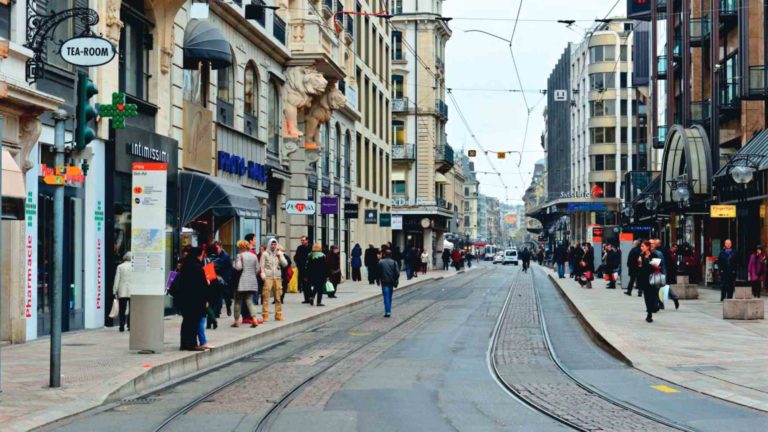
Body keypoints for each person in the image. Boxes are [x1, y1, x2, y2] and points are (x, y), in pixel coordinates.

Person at [175, 247, 209, 350]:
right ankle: (192, 344)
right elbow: (202, 286)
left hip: (184, 299)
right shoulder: (197, 268)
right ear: (198, 255)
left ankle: (184, 344)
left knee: (186, 321)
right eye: (202, 255)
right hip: (195, 300)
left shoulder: (185, 266)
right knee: (193, 321)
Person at [232, 240, 260, 328]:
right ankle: (254, 319)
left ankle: (236, 321)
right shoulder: (253, 256)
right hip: (252, 281)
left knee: (238, 301)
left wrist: (234, 263)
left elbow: (238, 267)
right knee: (249, 301)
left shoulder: (239, 256)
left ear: (240, 247)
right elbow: (257, 269)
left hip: (241, 282)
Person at [260, 238, 288, 321]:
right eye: (272, 244)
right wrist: (263, 276)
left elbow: (285, 264)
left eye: (275, 244)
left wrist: (280, 257)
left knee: (278, 297)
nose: (273, 246)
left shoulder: (279, 253)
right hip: (268, 277)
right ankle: (265, 315)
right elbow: (261, 265)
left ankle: (278, 314)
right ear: (269, 245)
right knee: (266, 296)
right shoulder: (265, 254)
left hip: (277, 277)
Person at [636, 240, 659, 323]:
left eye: (643, 246)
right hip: (644, 278)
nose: (641, 248)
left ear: (648, 247)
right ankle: (649, 313)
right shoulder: (641, 255)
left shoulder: (654, 255)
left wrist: (647, 264)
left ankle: (652, 309)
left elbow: (655, 267)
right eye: (641, 246)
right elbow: (639, 267)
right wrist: (640, 263)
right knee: (646, 296)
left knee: (652, 296)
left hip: (653, 277)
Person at [112, 252, 133, 332]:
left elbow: (117, 279)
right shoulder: (134, 267)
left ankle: (121, 325)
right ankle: (129, 326)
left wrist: (115, 290)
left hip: (122, 290)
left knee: (122, 309)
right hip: (132, 290)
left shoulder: (120, 267)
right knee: (132, 309)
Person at [377, 248, 400, 317]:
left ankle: (387, 311)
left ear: (384, 254)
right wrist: (395, 279)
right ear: (391, 255)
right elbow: (397, 273)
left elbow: (378, 272)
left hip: (384, 282)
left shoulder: (380, 262)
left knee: (386, 296)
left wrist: (378, 280)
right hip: (391, 282)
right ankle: (388, 309)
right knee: (389, 296)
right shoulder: (394, 262)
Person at [214, 241, 234, 317]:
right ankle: (217, 311)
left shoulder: (225, 256)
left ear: (221, 247)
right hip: (217, 278)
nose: (216, 249)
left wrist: (225, 279)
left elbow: (229, 268)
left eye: (217, 248)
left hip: (224, 278)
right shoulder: (215, 256)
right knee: (218, 295)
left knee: (226, 296)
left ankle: (228, 307)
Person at [295, 236, 311, 304]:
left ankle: (310, 297)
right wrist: (299, 265)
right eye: (301, 240)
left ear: (307, 240)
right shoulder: (299, 248)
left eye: (303, 240)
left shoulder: (311, 247)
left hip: (309, 269)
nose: (302, 242)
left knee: (309, 284)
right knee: (304, 285)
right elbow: (296, 257)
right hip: (302, 269)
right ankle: (306, 299)